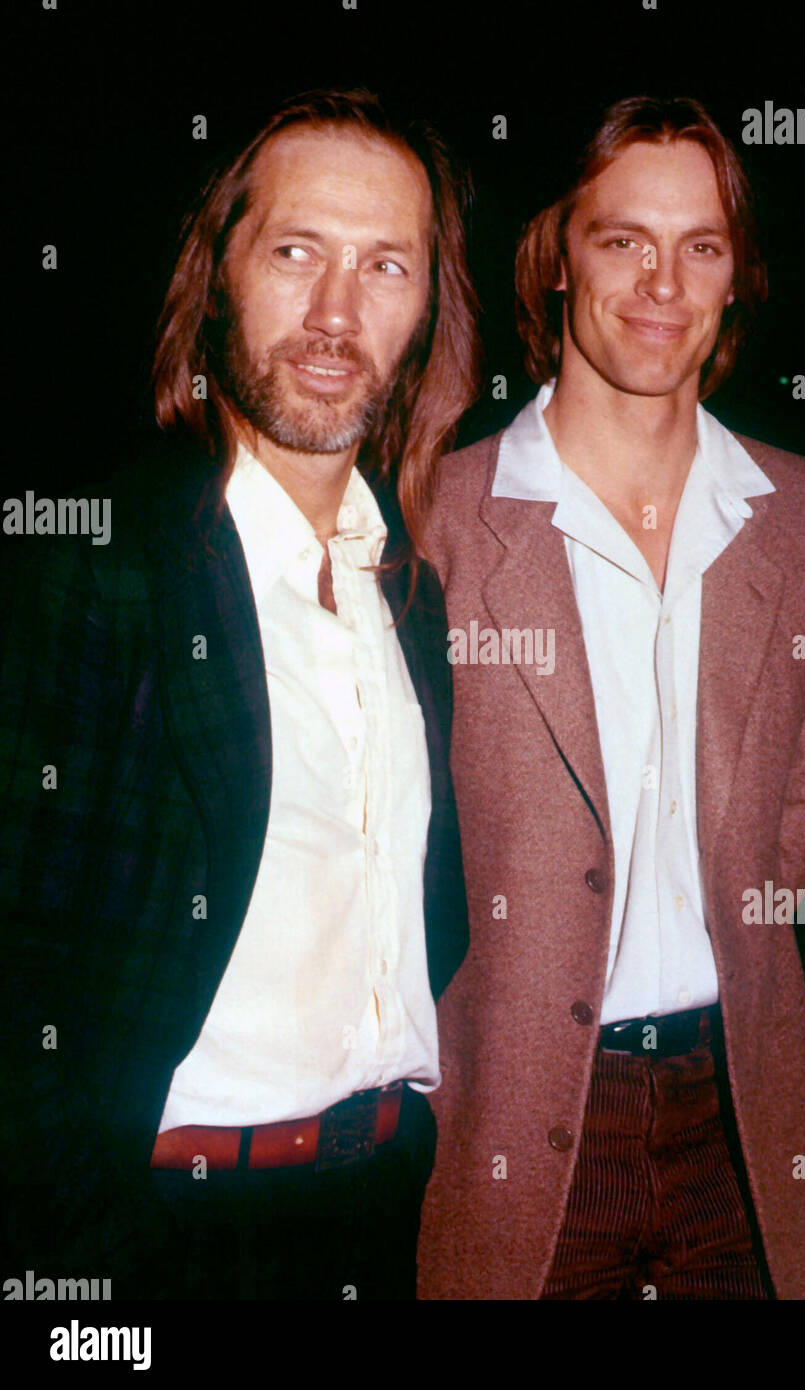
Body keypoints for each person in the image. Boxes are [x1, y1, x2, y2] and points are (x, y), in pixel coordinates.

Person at [0, 87, 477, 1301]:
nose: (334, 312)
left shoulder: (408, 595)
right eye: (295, 251)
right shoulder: (100, 564)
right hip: (157, 1234)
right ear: (218, 275)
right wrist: (80, 1258)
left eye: (385, 266)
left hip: (373, 1206)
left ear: (426, 310)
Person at [418, 95, 805, 1300]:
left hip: (737, 1111)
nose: (660, 281)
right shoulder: (430, 526)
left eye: (701, 246)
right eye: (622, 239)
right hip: (511, 1120)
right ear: (557, 259)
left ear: (736, 279)